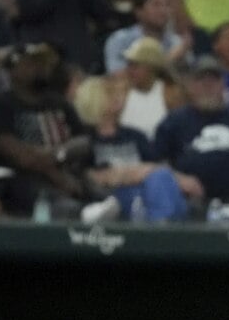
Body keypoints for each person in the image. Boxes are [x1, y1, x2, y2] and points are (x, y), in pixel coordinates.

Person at [0, 43, 89, 217]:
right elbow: (21, 156)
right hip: (17, 183)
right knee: (63, 206)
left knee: (106, 199)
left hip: (69, 176)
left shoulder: (59, 103)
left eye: (44, 63)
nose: (42, 68)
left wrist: (58, 155)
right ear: (13, 70)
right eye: (33, 62)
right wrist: (57, 175)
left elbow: (84, 142)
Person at [153, 55, 229, 207]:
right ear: (190, 86)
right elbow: (155, 164)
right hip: (190, 204)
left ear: (224, 85)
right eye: (201, 80)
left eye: (214, 80)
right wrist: (177, 179)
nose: (208, 86)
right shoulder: (173, 123)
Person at [71, 75, 197, 223]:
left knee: (163, 184)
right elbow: (94, 177)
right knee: (158, 181)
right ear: (93, 99)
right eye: (110, 93)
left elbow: (160, 168)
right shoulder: (86, 140)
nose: (118, 96)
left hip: (148, 194)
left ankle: (162, 227)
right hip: (114, 197)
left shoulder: (135, 136)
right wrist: (138, 173)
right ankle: (162, 233)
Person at [104, 0, 187, 75]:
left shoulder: (176, 42)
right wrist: (170, 59)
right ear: (139, 11)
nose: (163, 10)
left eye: (167, 5)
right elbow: (117, 75)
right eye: (156, 5)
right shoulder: (120, 40)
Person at [117, 36, 184, 140]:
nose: (129, 70)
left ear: (152, 67)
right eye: (128, 64)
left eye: (135, 65)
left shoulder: (171, 94)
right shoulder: (119, 92)